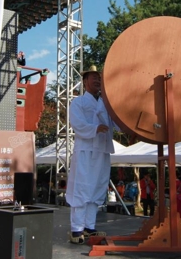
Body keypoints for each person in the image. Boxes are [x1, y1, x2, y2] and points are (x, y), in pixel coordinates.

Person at [66, 65, 119, 244]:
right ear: (85, 81)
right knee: (82, 187)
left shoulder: (106, 103)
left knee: (97, 187)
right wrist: (95, 128)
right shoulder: (78, 102)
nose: (97, 80)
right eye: (93, 77)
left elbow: (116, 123)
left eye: (99, 78)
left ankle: (90, 227)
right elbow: (77, 123)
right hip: (86, 149)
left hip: (102, 149)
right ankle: (76, 229)